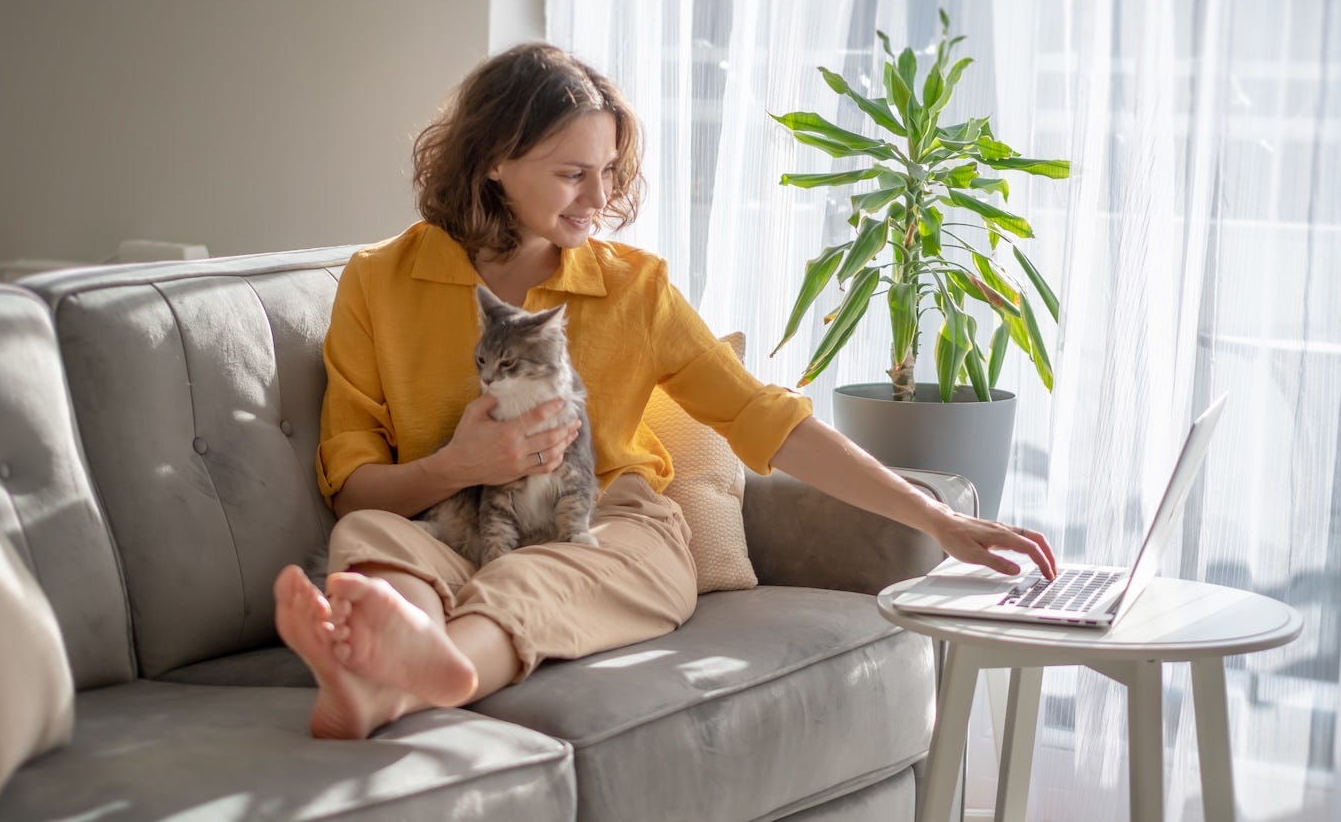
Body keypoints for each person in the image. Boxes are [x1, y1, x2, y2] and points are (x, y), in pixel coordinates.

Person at [273, 42, 1057, 740]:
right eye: (573, 173)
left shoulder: (633, 290)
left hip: (610, 525)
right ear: (493, 162)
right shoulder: (380, 281)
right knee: (372, 541)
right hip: (449, 520)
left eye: (608, 170)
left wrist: (937, 517)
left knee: (537, 575)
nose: (598, 196)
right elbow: (353, 491)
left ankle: (431, 669)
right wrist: (461, 465)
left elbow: (767, 421)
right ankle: (383, 685)